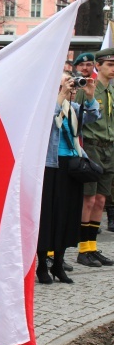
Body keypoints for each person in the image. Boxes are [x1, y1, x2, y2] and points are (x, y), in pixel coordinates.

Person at [36, 71, 100, 284]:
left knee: (67, 215)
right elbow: (47, 123)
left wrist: (90, 96)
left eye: (71, 82)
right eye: (66, 81)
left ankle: (59, 263)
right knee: (48, 216)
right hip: (51, 167)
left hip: (73, 167)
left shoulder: (72, 108)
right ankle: (42, 264)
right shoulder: (45, 107)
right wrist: (62, 94)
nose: (71, 85)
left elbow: (92, 117)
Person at [74, 48, 114, 268]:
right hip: (91, 146)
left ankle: (92, 246)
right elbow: (77, 117)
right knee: (88, 198)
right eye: (109, 65)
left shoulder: (111, 91)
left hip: (109, 147)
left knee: (100, 199)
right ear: (98, 66)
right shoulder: (88, 88)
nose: (113, 69)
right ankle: (82, 249)